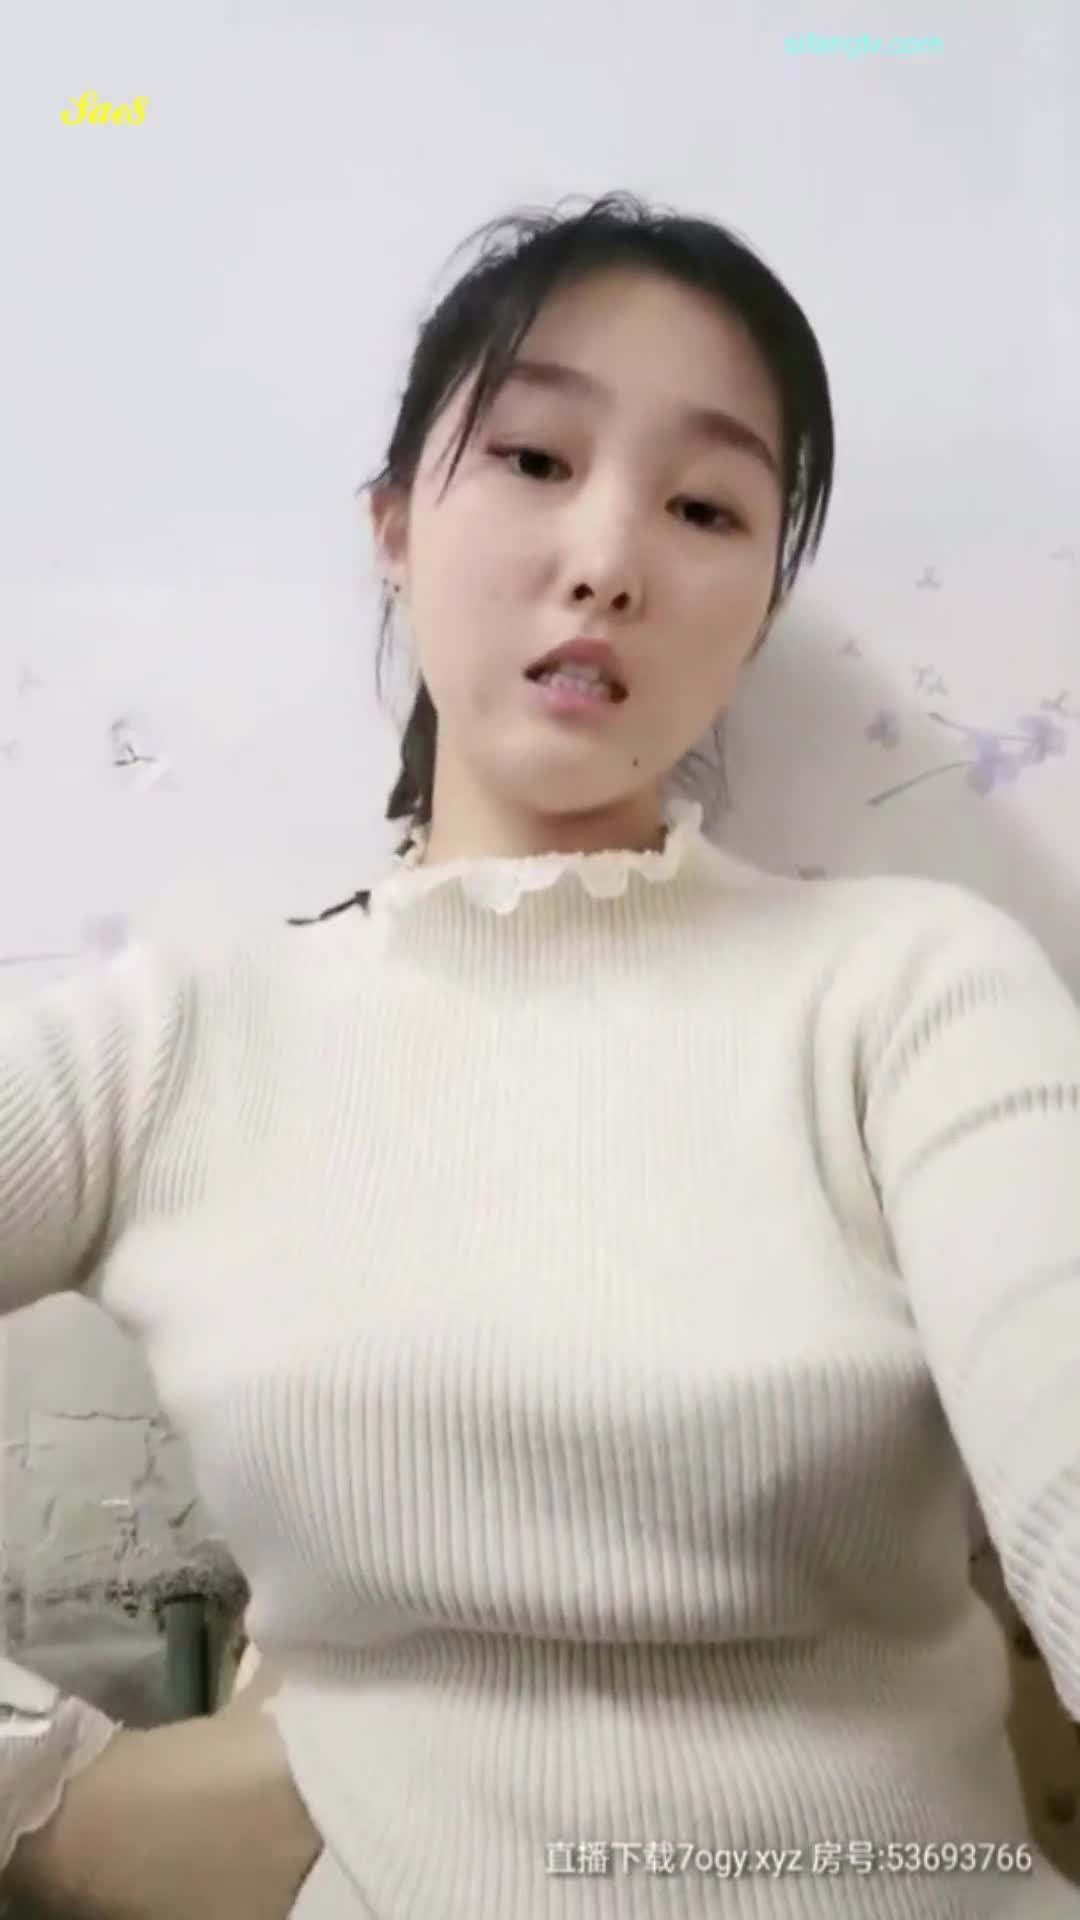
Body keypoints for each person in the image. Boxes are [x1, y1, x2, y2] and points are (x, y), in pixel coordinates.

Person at [2, 186, 1080, 1919]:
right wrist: (45, 1792)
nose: (609, 558)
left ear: (756, 603)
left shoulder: (911, 991)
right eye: (530, 459)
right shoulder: (179, 1037)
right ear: (392, 528)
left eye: (706, 504)